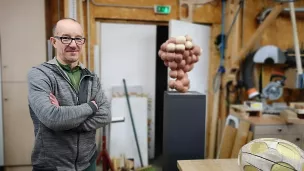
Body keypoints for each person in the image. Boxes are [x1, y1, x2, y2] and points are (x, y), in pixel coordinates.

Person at [27, 18, 111, 171]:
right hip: (52, 166)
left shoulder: (91, 77)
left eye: (78, 38)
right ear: (54, 41)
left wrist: (66, 119)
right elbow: (52, 118)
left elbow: (105, 115)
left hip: (88, 163)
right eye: (66, 38)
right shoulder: (40, 75)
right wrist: (91, 107)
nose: (73, 44)